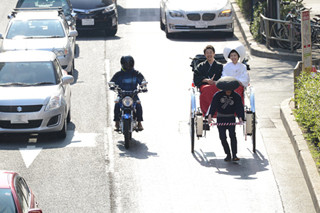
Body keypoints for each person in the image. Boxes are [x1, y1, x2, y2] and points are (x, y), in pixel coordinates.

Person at [207, 76, 244, 161]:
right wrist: (210, 116)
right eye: (226, 90)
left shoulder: (236, 96)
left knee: (232, 136)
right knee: (222, 137)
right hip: (221, 118)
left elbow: (239, 108)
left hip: (231, 118)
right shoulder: (217, 95)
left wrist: (240, 118)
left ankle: (234, 155)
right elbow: (213, 106)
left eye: (230, 90)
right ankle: (228, 154)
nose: (228, 92)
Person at [110, 56, 146, 131]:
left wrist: (143, 85)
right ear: (122, 64)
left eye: (129, 64)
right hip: (121, 95)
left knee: (138, 104)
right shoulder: (118, 74)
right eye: (126, 64)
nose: (128, 66)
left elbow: (142, 80)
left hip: (133, 95)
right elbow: (112, 81)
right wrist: (112, 85)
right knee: (117, 104)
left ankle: (139, 123)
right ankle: (116, 122)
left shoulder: (136, 73)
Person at [193, 45, 223, 115]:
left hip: (217, 85)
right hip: (205, 85)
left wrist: (215, 82)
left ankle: (219, 111)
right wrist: (206, 80)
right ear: (205, 54)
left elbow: (224, 77)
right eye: (207, 53)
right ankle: (206, 112)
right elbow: (196, 77)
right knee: (206, 89)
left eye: (211, 52)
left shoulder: (220, 66)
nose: (209, 54)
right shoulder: (200, 66)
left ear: (214, 54)